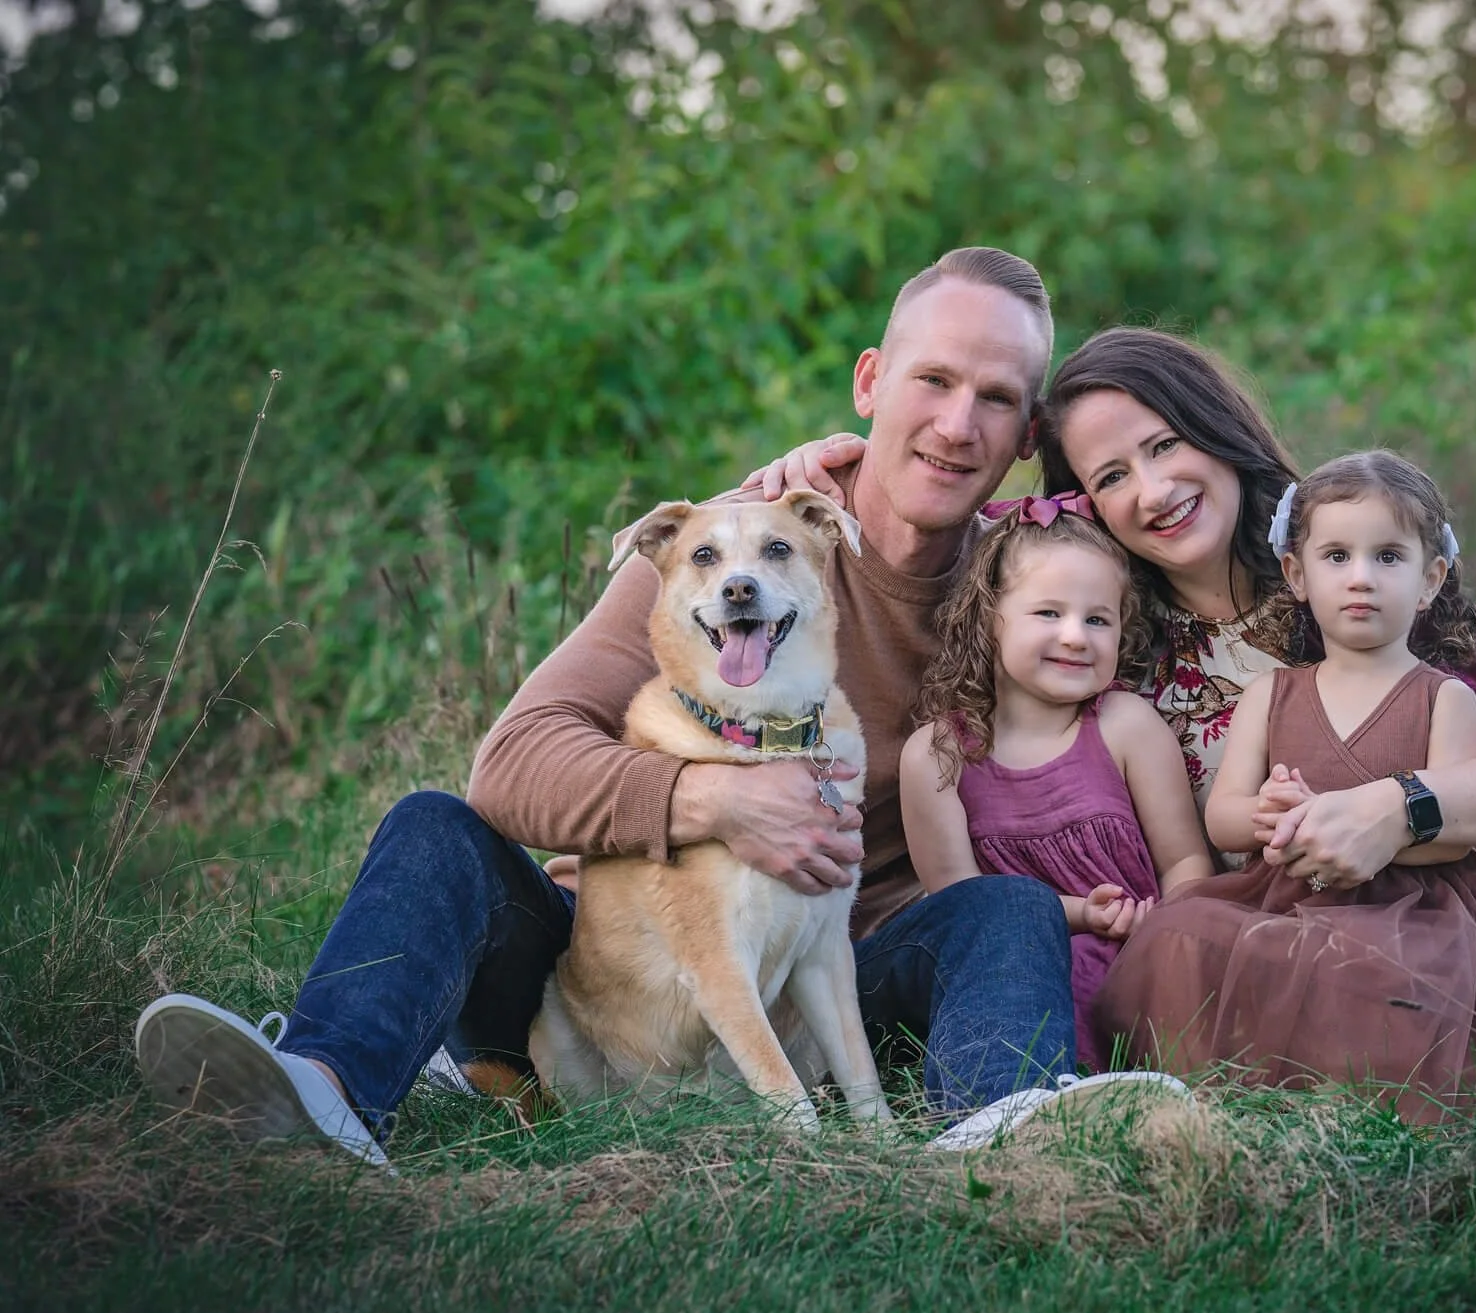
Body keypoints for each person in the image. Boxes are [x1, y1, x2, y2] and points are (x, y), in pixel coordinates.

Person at [133, 247, 1170, 1165]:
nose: (955, 424)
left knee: (1003, 911)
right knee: (433, 828)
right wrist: (710, 801)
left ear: (1027, 432)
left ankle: (992, 1130)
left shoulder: (1025, 590)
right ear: (869, 380)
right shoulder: (724, 557)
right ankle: (321, 1088)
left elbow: (1197, 578)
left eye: (994, 398)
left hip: (832, 979)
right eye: (931, 379)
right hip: (616, 977)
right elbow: (515, 763)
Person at [754, 326, 1476, 1068]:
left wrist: (1397, 808)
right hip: (1288, 936)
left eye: (1161, 446)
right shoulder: (1103, 630)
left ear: (1216, 431)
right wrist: (835, 467)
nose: (1148, 492)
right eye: (1109, 477)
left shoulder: (1350, 571)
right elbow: (930, 505)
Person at [1094, 451, 1476, 1115]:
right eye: (1336, 556)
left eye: (1388, 557)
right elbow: (1223, 818)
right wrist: (1271, 815)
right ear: (1297, 574)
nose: (1361, 577)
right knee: (1180, 933)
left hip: (1411, 904)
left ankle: (1356, 1099)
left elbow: (1454, 835)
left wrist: (1370, 833)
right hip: (1286, 891)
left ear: (1430, 579)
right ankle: (1206, 1099)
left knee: (1369, 962)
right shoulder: (1273, 693)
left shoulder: (1443, 698)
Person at [898, 497, 1213, 1069]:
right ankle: (1027, 1097)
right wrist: (1080, 914)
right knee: (1018, 983)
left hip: (1136, 952)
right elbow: (962, 908)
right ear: (990, 617)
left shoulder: (1126, 727)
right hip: (1007, 973)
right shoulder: (937, 756)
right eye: (1048, 613)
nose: (1075, 637)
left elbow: (1184, 862)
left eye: (1098, 619)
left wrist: (1169, 938)